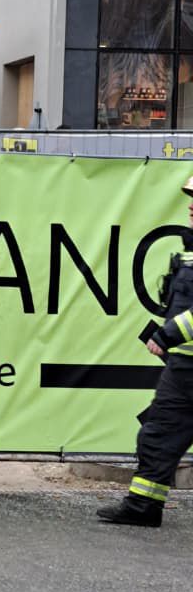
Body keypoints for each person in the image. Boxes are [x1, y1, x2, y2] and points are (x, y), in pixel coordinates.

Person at [98, 172, 193, 527]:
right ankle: (143, 507)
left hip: (183, 363)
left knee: (159, 432)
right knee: (157, 434)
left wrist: (168, 335)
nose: (191, 206)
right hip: (183, 370)